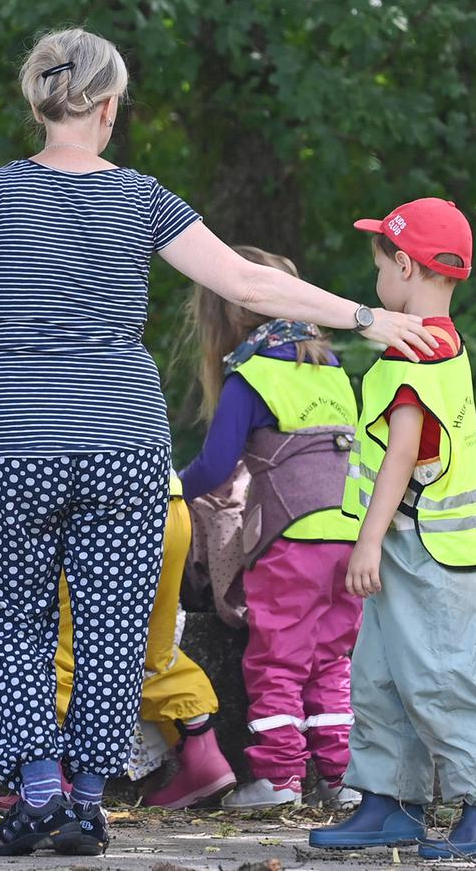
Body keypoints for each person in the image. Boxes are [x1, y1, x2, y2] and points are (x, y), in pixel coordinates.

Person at [0, 27, 431, 857]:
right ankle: (88, 801)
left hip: (11, 441)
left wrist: (9, 348)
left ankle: (39, 791)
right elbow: (245, 279)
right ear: (111, 107)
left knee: (9, 621)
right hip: (124, 442)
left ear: (38, 102)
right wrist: (369, 318)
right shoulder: (143, 198)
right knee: (115, 622)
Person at [306, 199, 476, 859]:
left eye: (379, 261)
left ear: (403, 267)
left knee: (441, 680)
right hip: (415, 545)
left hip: (428, 548)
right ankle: (388, 801)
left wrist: (368, 540)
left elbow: (403, 453)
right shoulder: (436, 342)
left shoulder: (417, 356)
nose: (375, 277)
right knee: (378, 675)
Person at [178, 246, 363, 811]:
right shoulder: (333, 372)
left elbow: (213, 469)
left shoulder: (251, 377)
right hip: (349, 538)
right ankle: (338, 776)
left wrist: (160, 487)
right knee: (331, 659)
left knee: (276, 658)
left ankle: (280, 779)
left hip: (291, 541)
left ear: (231, 315)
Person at [52, 472, 234, 810]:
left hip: (99, 509)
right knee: (154, 651)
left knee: (67, 649)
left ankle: (50, 780)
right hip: (168, 505)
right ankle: (203, 754)